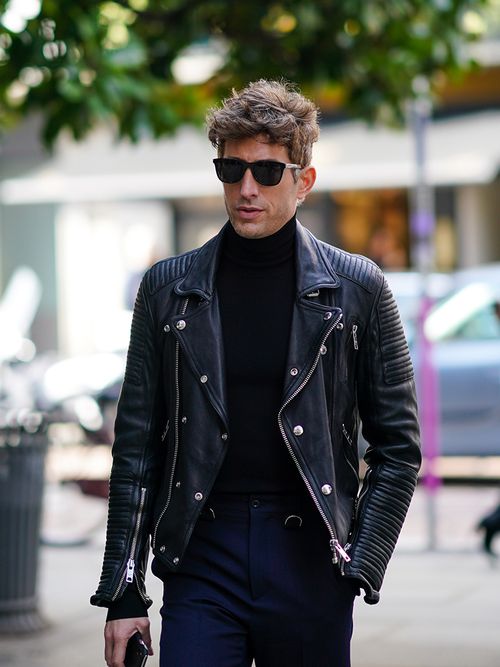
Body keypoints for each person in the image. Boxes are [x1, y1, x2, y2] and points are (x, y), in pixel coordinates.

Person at [91, 79, 421, 667]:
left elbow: (398, 447)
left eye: (267, 172)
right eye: (231, 170)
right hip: (202, 552)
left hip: (309, 558)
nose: (247, 188)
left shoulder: (359, 289)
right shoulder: (167, 290)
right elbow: (137, 448)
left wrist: (361, 560)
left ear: (303, 181)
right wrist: (123, 589)